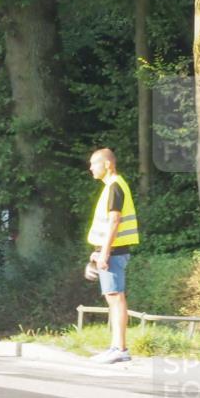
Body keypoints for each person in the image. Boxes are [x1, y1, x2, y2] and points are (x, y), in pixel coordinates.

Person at [86, 148, 139, 364]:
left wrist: (104, 253)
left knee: (116, 298)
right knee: (113, 298)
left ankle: (120, 349)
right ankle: (116, 347)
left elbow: (115, 221)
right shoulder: (112, 186)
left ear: (107, 164)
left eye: (94, 163)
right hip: (111, 251)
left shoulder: (115, 186)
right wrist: (97, 253)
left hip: (114, 252)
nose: (90, 168)